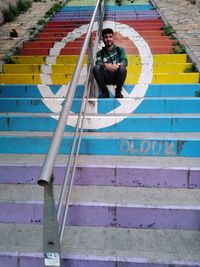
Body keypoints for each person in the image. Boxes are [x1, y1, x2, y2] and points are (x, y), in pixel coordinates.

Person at [93, 28, 128, 98]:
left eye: (110, 37)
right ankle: (105, 92)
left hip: (117, 76)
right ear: (103, 39)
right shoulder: (100, 53)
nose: (108, 39)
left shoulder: (119, 49)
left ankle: (118, 92)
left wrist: (117, 65)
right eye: (106, 37)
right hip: (105, 77)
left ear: (113, 38)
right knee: (96, 68)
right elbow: (98, 63)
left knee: (123, 69)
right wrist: (106, 65)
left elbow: (125, 61)